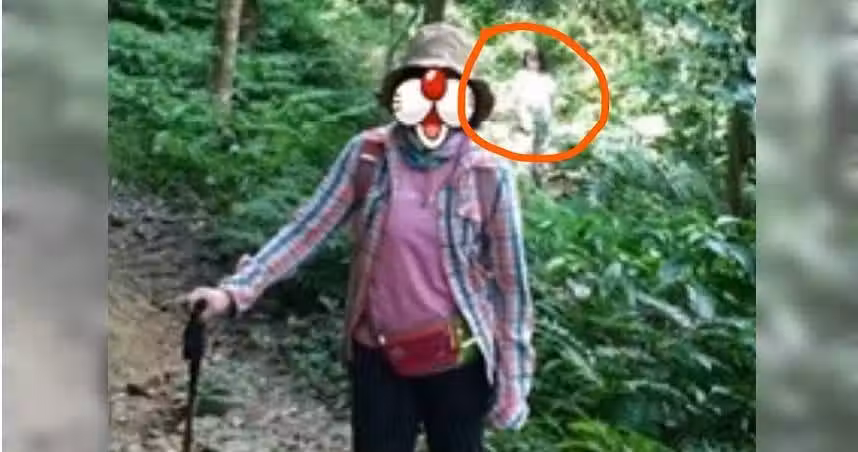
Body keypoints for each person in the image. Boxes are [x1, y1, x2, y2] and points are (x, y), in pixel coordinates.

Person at [185, 23, 535, 452]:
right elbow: (306, 229)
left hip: (457, 358)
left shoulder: (488, 172)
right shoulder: (369, 155)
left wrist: (514, 381)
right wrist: (234, 292)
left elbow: (511, 286)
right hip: (379, 354)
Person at [510, 48, 557, 184]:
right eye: (530, 59)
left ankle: (538, 175)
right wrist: (517, 112)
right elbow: (515, 96)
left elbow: (552, 97)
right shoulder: (521, 75)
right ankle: (525, 177)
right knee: (526, 143)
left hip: (543, 112)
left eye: (535, 59)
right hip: (526, 111)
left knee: (541, 146)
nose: (533, 63)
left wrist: (551, 114)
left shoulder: (546, 77)